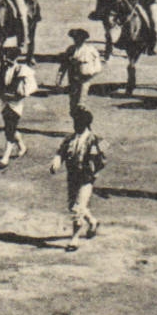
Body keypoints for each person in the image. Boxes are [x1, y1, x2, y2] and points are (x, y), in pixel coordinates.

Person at [49, 108, 105, 251]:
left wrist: (94, 167)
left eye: (78, 122)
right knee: (73, 205)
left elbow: (102, 160)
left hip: (86, 178)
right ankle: (93, 222)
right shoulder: (70, 139)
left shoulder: (95, 140)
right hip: (72, 176)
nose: (75, 125)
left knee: (77, 208)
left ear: (86, 124)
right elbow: (61, 152)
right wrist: (56, 161)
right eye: (75, 122)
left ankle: (74, 239)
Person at [0, 44, 37, 167]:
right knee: (10, 126)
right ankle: (22, 146)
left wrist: (23, 93)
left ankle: (5, 157)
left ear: (14, 57)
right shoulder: (3, 69)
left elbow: (31, 87)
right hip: (4, 102)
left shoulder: (22, 69)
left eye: (8, 56)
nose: (5, 59)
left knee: (9, 128)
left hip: (16, 104)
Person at [55, 28, 105, 119]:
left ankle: (83, 129)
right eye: (75, 38)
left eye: (79, 39)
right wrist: (58, 80)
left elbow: (98, 67)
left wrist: (90, 74)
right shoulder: (70, 49)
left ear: (83, 39)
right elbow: (63, 66)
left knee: (81, 105)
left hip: (84, 81)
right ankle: (78, 129)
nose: (77, 40)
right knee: (72, 106)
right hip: (72, 80)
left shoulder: (91, 50)